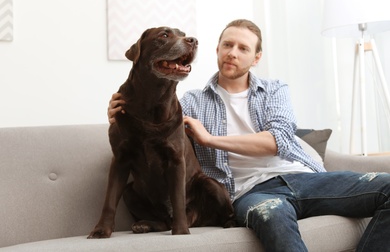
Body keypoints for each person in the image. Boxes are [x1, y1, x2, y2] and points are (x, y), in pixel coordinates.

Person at [108, 19, 390, 252]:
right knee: (276, 224)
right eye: (227, 45)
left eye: (243, 48)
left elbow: (276, 141)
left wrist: (209, 139)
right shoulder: (190, 101)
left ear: (256, 58)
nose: (233, 52)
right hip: (250, 193)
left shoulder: (275, 90)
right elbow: (151, 132)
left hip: (304, 178)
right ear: (217, 49)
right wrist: (118, 114)